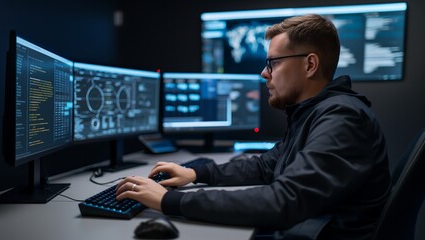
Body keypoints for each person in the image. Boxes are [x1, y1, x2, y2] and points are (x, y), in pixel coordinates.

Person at [116, 14, 390, 240]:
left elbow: (284, 201)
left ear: (309, 64)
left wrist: (169, 201)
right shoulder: (315, 113)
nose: (264, 73)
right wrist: (194, 172)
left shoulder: (342, 118)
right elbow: (266, 166)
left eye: (273, 62)